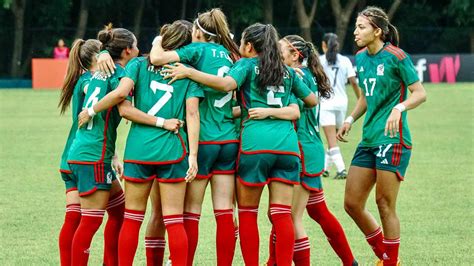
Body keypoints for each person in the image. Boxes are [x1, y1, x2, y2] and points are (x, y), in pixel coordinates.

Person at [162, 23, 318, 266]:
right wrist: (282, 108)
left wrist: (190, 72)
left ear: (248, 46)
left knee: (247, 214)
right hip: (287, 148)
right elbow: (311, 100)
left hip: (254, 146)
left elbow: (226, 85)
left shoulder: (246, 65)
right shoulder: (286, 71)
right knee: (281, 214)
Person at [78, 20, 202, 266]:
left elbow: (123, 109)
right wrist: (193, 156)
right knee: (174, 220)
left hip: (138, 152)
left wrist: (103, 51)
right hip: (173, 151)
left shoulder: (136, 64)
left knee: (133, 218)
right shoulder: (189, 73)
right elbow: (192, 115)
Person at [149, 9, 240, 266]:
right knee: (224, 212)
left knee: (191, 212)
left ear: (198, 31)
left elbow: (157, 58)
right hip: (229, 140)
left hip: (204, 141)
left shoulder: (196, 50)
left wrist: (158, 40)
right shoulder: (228, 54)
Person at [338, 6, 427, 266]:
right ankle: (386, 257)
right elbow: (366, 95)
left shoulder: (397, 57)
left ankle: (389, 262)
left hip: (393, 139)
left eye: (361, 27)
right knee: (352, 203)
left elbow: (420, 93)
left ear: (378, 31)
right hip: (369, 140)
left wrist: (399, 108)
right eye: (356, 26)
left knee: (384, 203)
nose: (356, 32)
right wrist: (350, 118)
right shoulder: (361, 58)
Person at [263, 34, 357, 266]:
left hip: (302, 152)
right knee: (318, 211)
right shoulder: (299, 74)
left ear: (295, 55)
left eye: (280, 50)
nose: (275, 53)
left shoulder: (296, 76)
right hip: (308, 149)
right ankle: (350, 262)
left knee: (287, 217)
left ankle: (274, 262)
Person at [66, 25, 139, 266]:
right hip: (93, 156)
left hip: (90, 154)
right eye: (136, 46)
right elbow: (120, 96)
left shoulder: (94, 75)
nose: (139, 50)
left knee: (119, 212)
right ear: (127, 51)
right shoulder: (118, 74)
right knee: (90, 222)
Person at [319, 32, 360, 179]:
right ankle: (325, 168)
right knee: (333, 140)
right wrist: (360, 98)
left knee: (331, 140)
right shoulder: (345, 61)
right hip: (342, 104)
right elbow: (354, 82)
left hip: (325, 103)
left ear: (324, 45)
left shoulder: (319, 61)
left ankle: (342, 169)